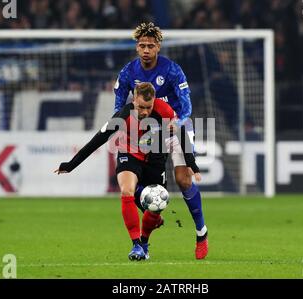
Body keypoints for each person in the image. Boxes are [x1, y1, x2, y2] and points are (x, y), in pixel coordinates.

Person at [55, 82, 201, 260]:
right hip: (129, 155)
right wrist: (71, 165)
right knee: (126, 191)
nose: (145, 112)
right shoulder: (123, 115)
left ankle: (145, 242)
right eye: (141, 107)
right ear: (134, 101)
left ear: (154, 100)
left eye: (148, 107)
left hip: (155, 161)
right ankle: (137, 245)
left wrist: (192, 165)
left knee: (154, 209)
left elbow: (182, 134)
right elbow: (97, 140)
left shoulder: (165, 111)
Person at [113, 22, 209, 259]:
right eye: (142, 45)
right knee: (133, 185)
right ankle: (144, 237)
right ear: (137, 48)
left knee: (183, 179)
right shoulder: (127, 72)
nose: (146, 50)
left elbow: (186, 105)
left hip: (174, 127)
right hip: (145, 131)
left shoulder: (172, 70)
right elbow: (118, 107)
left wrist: (179, 121)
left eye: (151, 46)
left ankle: (201, 232)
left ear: (158, 48)